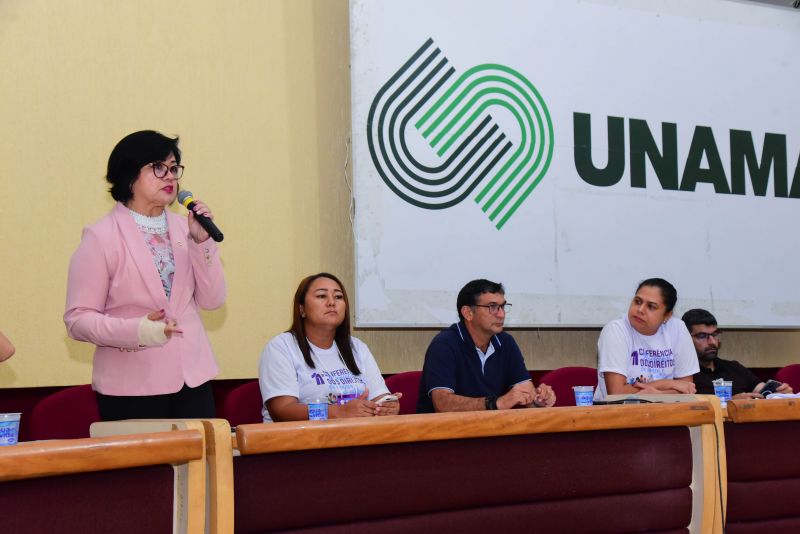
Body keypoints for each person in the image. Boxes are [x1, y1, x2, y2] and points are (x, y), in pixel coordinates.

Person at [64, 130, 225, 420]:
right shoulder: (101, 237)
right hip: (132, 386)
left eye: (174, 168)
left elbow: (213, 300)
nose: (170, 177)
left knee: (202, 466)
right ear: (128, 175)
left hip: (194, 379)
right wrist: (138, 331)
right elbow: (78, 320)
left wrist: (202, 243)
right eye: (158, 167)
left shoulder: (185, 228)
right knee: (146, 468)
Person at [259, 273, 400, 422]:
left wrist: (386, 406)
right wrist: (337, 412)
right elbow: (282, 411)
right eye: (321, 296)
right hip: (298, 441)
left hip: (354, 437)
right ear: (302, 309)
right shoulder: (281, 347)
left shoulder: (357, 348)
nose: (332, 302)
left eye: (338, 297)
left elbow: (380, 397)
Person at [417, 279, 555, 413]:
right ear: (468, 313)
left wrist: (537, 401)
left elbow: (525, 392)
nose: (501, 314)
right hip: (446, 433)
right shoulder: (444, 345)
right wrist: (496, 403)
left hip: (492, 430)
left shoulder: (506, 342)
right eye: (493, 307)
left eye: (502, 307)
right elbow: (442, 404)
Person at [594, 278, 699, 401]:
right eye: (637, 301)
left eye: (651, 306)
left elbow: (687, 390)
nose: (640, 310)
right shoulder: (616, 330)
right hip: (616, 412)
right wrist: (668, 384)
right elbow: (617, 393)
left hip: (665, 410)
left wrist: (657, 396)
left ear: (667, 316)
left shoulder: (677, 329)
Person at [682, 308, 793, 398]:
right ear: (686, 338)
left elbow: (761, 390)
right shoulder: (682, 375)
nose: (712, 342)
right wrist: (732, 402)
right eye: (702, 336)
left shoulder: (733, 367)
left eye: (715, 334)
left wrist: (780, 393)